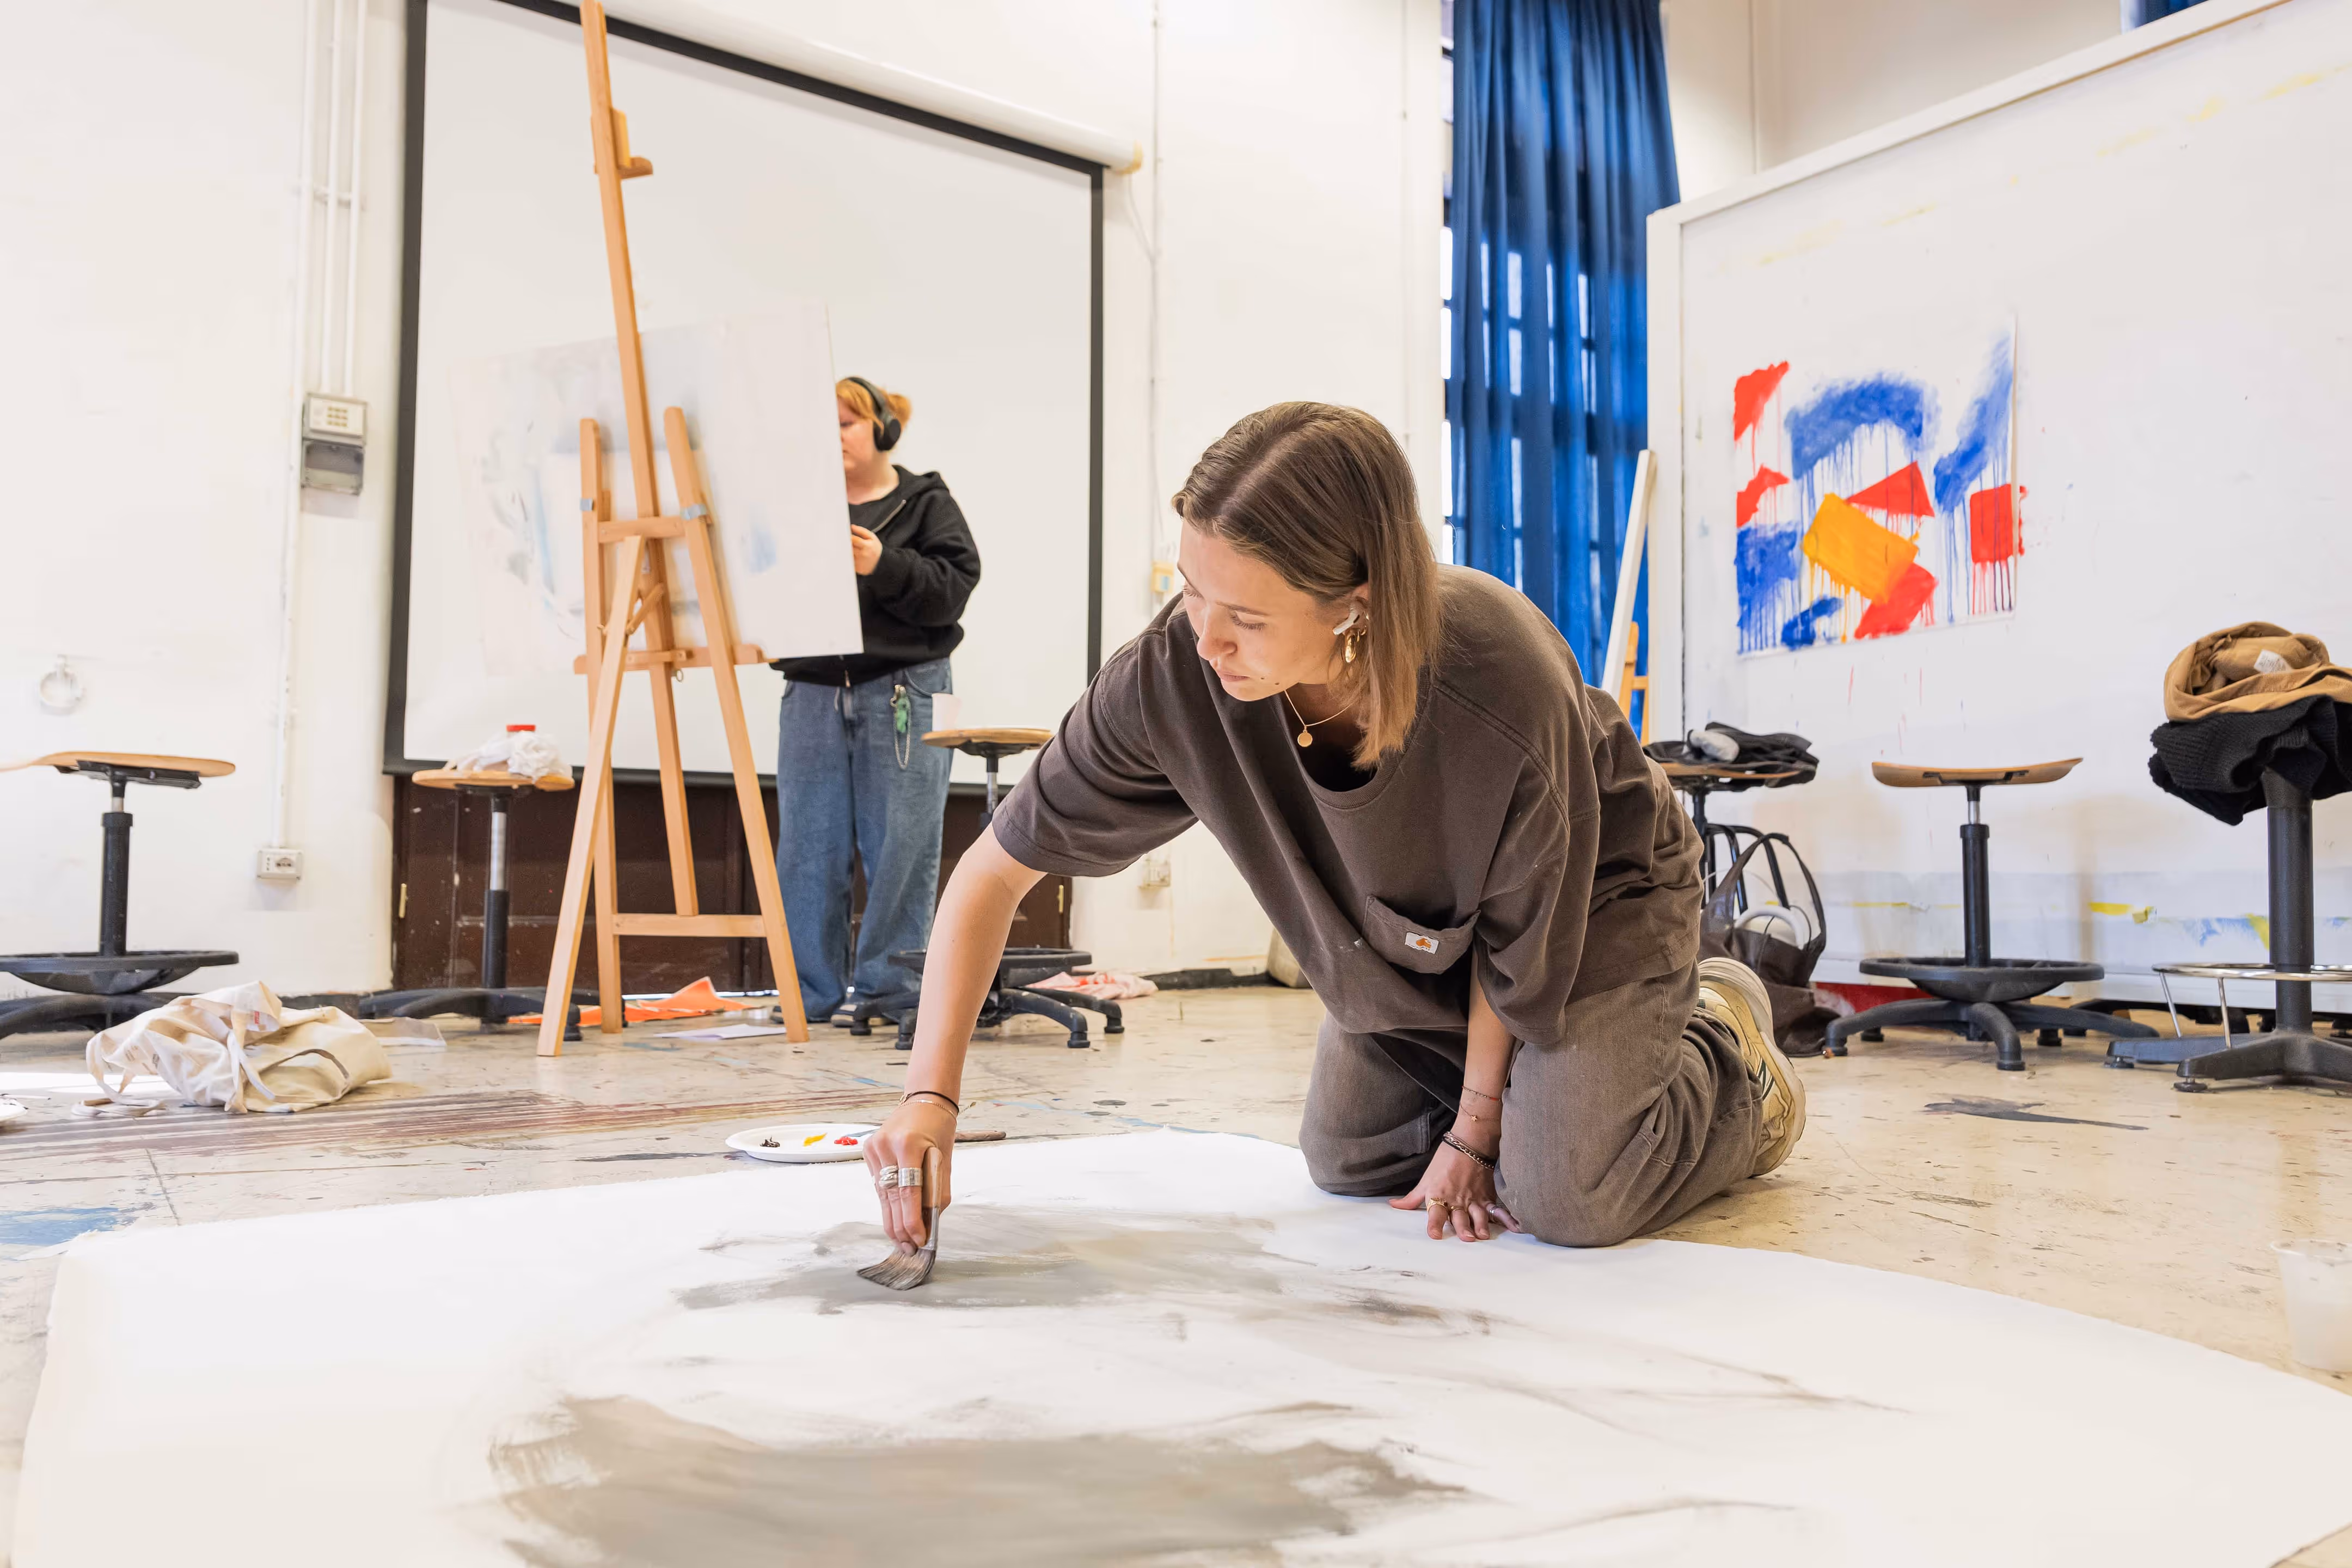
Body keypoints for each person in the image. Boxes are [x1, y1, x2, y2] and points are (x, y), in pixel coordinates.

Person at [863, 401, 1804, 1253]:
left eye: (1246, 617)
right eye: (1192, 590)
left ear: (1355, 605)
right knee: (1350, 1162)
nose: (1204, 639)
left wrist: (1480, 1133)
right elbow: (991, 874)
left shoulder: (1497, 682)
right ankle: (1549, 1101)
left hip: (1593, 903)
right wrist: (928, 1097)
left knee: (1565, 1199)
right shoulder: (1172, 677)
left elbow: (1522, 938)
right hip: (1413, 930)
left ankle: (1725, 1046)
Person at [772, 376, 981, 1027]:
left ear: (883, 430)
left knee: (901, 846)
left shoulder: (925, 502)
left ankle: (893, 994)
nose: (831, 438)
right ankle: (808, 994)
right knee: (808, 847)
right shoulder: (798, 508)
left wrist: (883, 565)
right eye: (822, 427)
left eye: (845, 424)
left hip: (904, 689)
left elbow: (954, 587)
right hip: (811, 691)